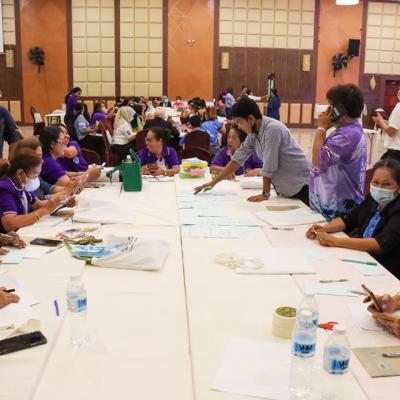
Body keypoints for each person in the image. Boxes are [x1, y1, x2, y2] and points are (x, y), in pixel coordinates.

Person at [195, 97, 311, 204]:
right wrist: (212, 183)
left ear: (250, 119)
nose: (239, 127)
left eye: (240, 122)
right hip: (286, 188)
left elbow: (269, 164)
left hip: (301, 185)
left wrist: (265, 194)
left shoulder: (272, 129)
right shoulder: (253, 134)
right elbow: (236, 160)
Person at [306, 158, 400, 279]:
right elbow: (348, 220)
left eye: (387, 184)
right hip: (361, 258)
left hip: (385, 271)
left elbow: (380, 244)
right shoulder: (372, 199)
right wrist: (324, 229)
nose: (379, 187)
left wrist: (335, 241)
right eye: (375, 182)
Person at [310, 84, 367, 220]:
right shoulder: (346, 130)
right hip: (329, 204)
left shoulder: (348, 135)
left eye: (330, 105)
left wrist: (321, 128)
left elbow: (318, 161)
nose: (327, 110)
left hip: (337, 209)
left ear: (339, 110)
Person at [0, 149, 69, 233]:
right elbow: (10, 224)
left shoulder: (22, 184)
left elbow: (37, 204)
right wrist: (43, 211)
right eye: (35, 175)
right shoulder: (5, 189)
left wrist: (60, 203)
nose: (36, 179)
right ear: (20, 173)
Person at [13, 137, 81, 200]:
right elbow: (39, 201)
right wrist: (67, 191)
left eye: (41, 155)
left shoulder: (34, 172)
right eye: (62, 141)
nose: (42, 161)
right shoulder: (21, 178)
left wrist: (70, 189)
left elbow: (48, 188)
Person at [373, 88, 400, 163]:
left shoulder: (399, 108)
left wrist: (380, 122)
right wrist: (385, 122)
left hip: (396, 151)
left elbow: (391, 132)